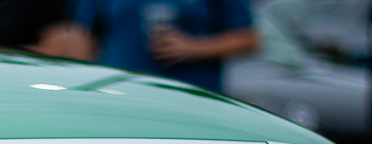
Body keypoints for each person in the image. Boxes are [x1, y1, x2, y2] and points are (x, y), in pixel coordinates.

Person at [72, 0, 259, 92]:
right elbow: (83, 34)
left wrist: (193, 48)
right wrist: (84, 86)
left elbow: (248, 39)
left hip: (192, 98)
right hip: (123, 95)